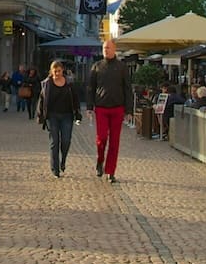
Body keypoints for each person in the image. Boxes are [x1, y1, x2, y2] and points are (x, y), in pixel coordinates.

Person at [88, 39, 135, 183]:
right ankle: (100, 160)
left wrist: (129, 110)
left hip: (117, 108)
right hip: (101, 107)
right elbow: (90, 88)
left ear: (114, 49)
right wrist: (89, 107)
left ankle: (111, 171)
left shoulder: (122, 67)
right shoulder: (97, 66)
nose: (105, 50)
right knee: (101, 139)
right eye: (103, 48)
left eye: (108, 47)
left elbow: (128, 88)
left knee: (114, 142)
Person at [37, 60, 83, 177]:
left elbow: (75, 99)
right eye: (55, 71)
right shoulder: (47, 84)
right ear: (51, 72)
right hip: (52, 116)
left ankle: (63, 161)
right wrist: (40, 115)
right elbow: (41, 100)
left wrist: (78, 114)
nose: (57, 73)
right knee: (54, 142)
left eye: (59, 71)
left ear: (62, 70)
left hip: (67, 115)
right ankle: (55, 169)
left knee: (66, 141)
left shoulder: (69, 84)